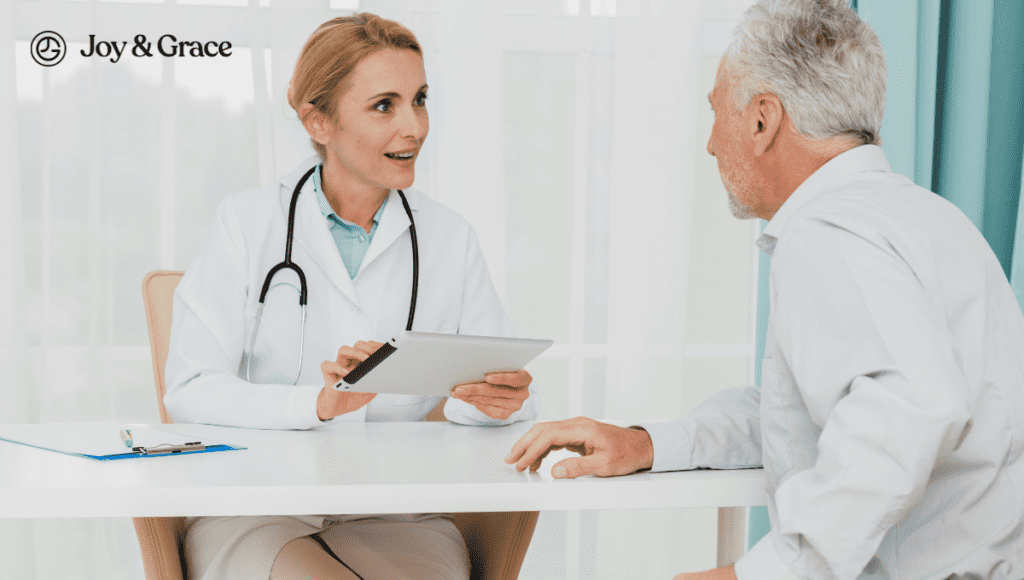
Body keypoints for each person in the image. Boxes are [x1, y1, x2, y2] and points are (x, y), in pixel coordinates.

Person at [505, 1, 1024, 579]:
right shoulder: (929, 219)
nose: (709, 144)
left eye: (716, 112)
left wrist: (763, 575)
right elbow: (811, 411)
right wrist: (646, 443)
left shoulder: (828, 234)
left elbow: (911, 405)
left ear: (761, 120)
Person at [163, 13, 537, 580]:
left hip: (398, 511)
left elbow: (501, 389)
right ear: (319, 121)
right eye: (385, 105)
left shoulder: (449, 237)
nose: (413, 126)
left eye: (420, 99)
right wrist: (315, 404)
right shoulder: (247, 222)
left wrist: (490, 401)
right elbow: (189, 388)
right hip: (263, 506)